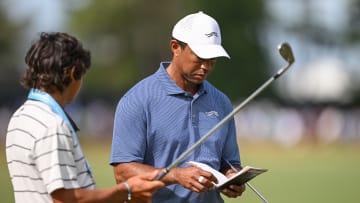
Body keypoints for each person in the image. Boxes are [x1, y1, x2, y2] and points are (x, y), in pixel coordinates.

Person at [6, 32, 164, 203]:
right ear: (74, 73)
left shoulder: (20, 116)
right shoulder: (52, 125)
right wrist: (126, 191)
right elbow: (66, 199)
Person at [110, 11, 245, 203]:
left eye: (212, 58)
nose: (206, 66)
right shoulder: (136, 99)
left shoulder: (221, 102)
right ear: (176, 47)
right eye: (200, 57)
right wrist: (175, 175)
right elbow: (122, 173)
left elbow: (229, 162)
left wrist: (232, 177)